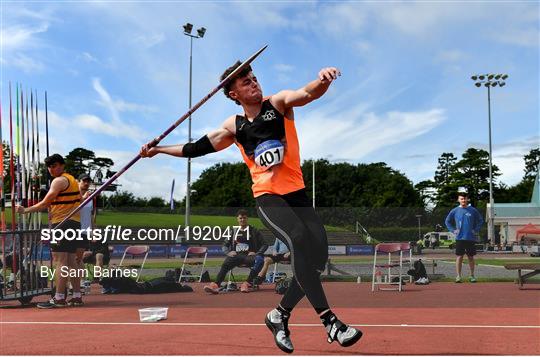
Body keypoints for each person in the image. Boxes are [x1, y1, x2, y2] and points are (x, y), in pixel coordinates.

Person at [140, 62, 361, 352]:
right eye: (246, 82)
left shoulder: (278, 103)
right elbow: (195, 149)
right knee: (298, 237)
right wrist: (158, 149)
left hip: (297, 195)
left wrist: (323, 80)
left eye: (254, 78)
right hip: (268, 197)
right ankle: (330, 321)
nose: (254, 83)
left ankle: (278, 315)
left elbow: (307, 93)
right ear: (233, 93)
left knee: (317, 259)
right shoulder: (234, 126)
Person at [16, 154, 83, 307]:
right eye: (49, 167)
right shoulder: (73, 180)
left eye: (54, 166)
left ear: (62, 165)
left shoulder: (58, 181)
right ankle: (77, 295)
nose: (51, 169)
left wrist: (25, 210)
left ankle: (59, 297)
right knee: (72, 262)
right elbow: (80, 199)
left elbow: (45, 203)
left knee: (60, 261)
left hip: (62, 223)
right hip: (74, 223)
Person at [204, 210, 267, 293]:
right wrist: (228, 252)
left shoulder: (254, 231)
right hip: (236, 256)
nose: (242, 220)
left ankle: (247, 283)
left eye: (244, 218)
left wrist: (257, 253)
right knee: (226, 262)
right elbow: (224, 245)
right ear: (237, 219)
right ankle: (215, 285)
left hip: (250, 256)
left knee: (260, 260)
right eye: (240, 218)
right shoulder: (233, 231)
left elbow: (265, 244)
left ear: (247, 218)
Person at [445, 192, 484, 283]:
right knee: (459, 257)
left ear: (467, 199)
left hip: (470, 238)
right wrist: (453, 230)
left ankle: (472, 276)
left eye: (465, 199)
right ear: (459, 200)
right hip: (459, 238)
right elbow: (447, 221)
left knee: (471, 257)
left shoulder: (473, 210)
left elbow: (480, 220)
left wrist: (476, 230)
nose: (463, 200)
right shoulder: (454, 210)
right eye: (462, 199)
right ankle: (458, 276)